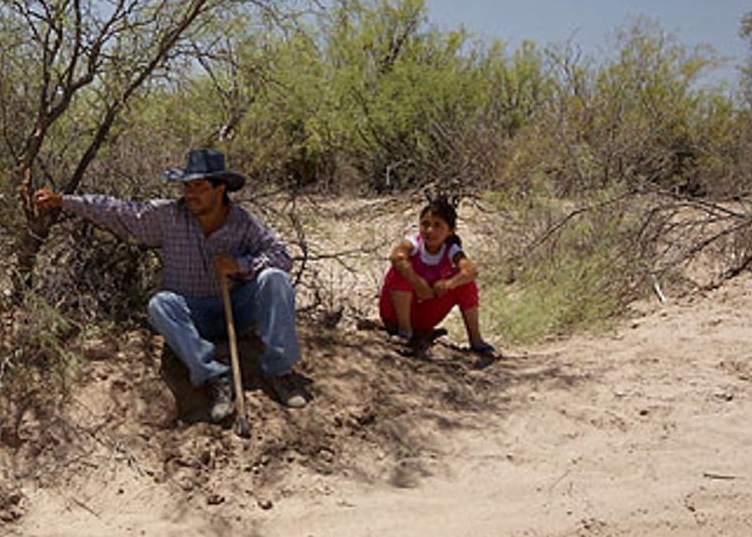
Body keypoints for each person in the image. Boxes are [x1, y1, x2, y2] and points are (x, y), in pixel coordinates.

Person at [31, 148, 309, 420]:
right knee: (160, 305)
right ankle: (215, 376)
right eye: (186, 187)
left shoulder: (243, 222)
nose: (189, 194)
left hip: (236, 310)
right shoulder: (169, 216)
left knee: (275, 278)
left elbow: (281, 257)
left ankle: (279, 370)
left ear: (220, 189)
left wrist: (240, 265)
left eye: (198, 186)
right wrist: (62, 201)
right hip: (191, 313)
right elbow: (118, 212)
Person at [378, 195, 498, 359]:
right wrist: (417, 282)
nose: (430, 230)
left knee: (466, 283)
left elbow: (470, 271)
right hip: (395, 315)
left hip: (424, 316)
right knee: (400, 269)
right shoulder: (413, 244)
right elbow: (396, 256)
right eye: (425, 224)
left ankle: (476, 341)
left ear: (450, 231)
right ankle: (404, 333)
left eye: (437, 226)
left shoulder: (451, 251)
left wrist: (449, 283)